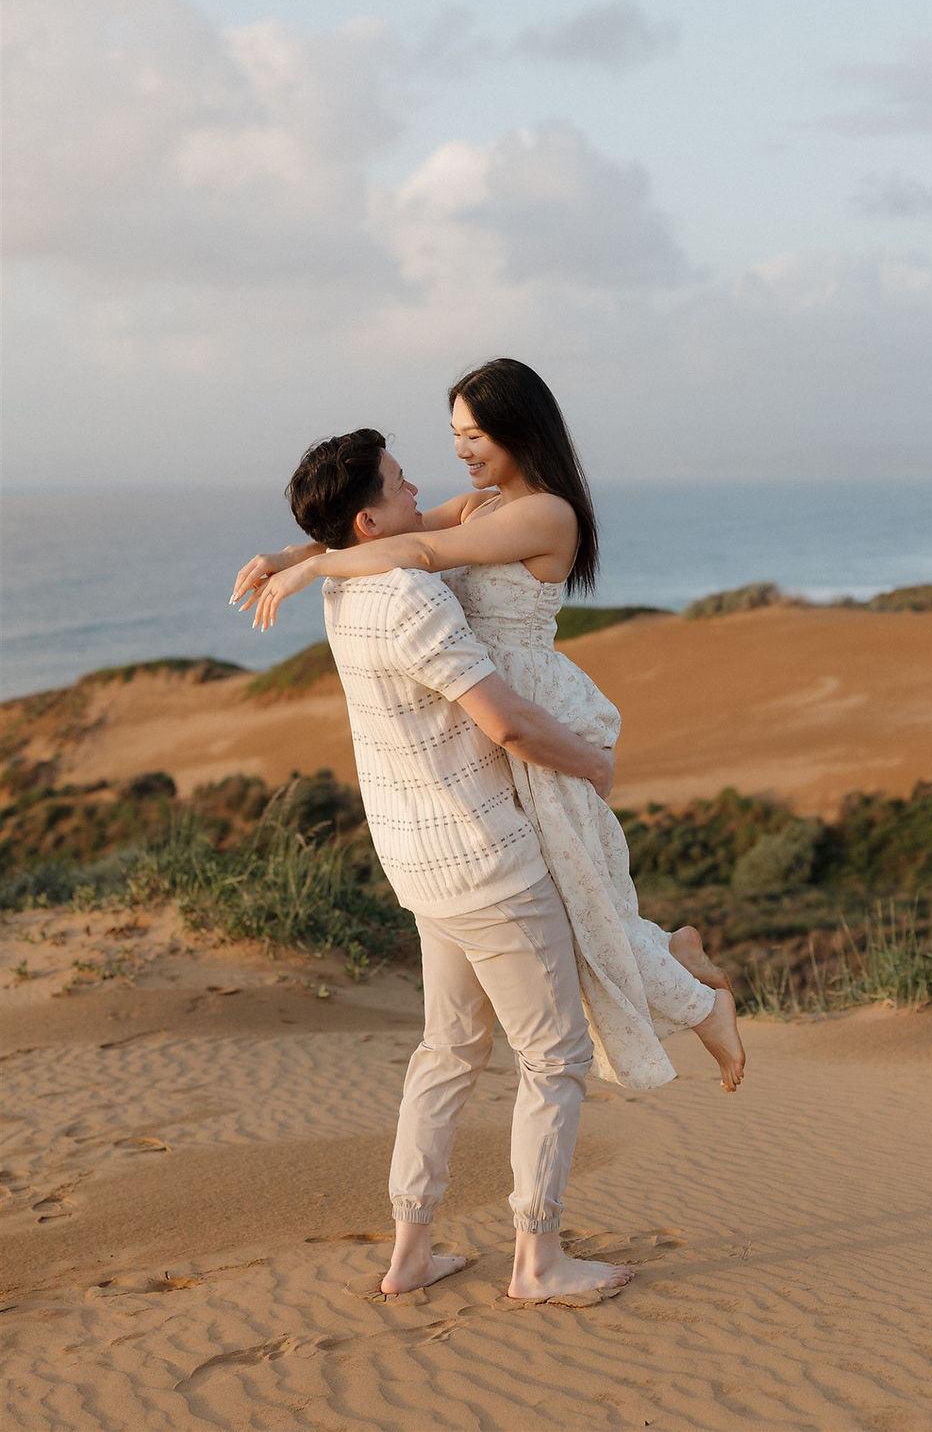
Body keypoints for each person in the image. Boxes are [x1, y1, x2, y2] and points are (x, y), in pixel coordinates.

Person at [232, 360, 745, 1096]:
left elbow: (416, 551)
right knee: (575, 900)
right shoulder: (482, 506)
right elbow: (380, 532)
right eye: (454, 436)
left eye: (474, 434)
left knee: (575, 899)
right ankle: (679, 954)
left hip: (534, 715)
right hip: (494, 713)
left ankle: (704, 1008)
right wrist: (290, 553)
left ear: (518, 428)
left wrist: (315, 572)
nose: (463, 450)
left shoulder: (547, 513)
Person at [233, 428, 634, 1303]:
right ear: (370, 521)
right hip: (488, 864)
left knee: (448, 1050)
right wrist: (595, 765)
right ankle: (539, 1261)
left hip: (419, 866)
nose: (420, 488)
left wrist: (296, 554)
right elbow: (511, 725)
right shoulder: (410, 598)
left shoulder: (347, 592)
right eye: (401, 482)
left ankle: (410, 1255)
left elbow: (406, 538)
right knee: (554, 1058)